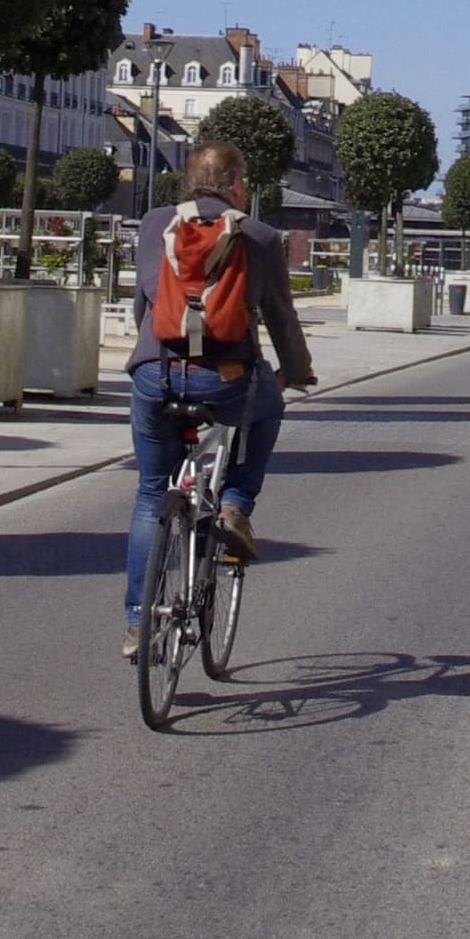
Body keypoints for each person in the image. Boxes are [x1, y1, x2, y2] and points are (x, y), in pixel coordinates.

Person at [121, 140, 314, 658]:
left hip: (156, 377)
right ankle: (233, 506)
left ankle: (139, 622)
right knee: (268, 407)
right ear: (234, 185)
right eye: (243, 181)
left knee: (148, 493)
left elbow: (142, 300)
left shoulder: (153, 223)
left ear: (188, 181)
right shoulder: (260, 235)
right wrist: (295, 372)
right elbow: (280, 317)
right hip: (225, 379)